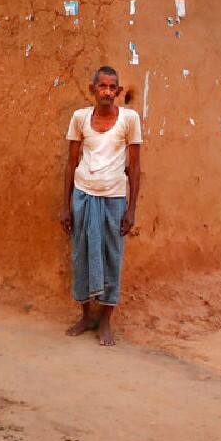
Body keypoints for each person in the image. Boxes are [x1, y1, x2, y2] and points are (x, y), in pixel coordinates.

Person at [60, 66, 142, 345]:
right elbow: (71, 163)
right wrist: (65, 205)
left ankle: (105, 321)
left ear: (118, 92)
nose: (107, 92)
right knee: (81, 255)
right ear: (92, 89)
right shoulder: (79, 118)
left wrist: (131, 209)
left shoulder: (129, 120)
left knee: (112, 258)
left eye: (112, 88)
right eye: (102, 86)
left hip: (114, 199)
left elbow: (136, 166)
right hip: (83, 196)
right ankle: (86, 317)